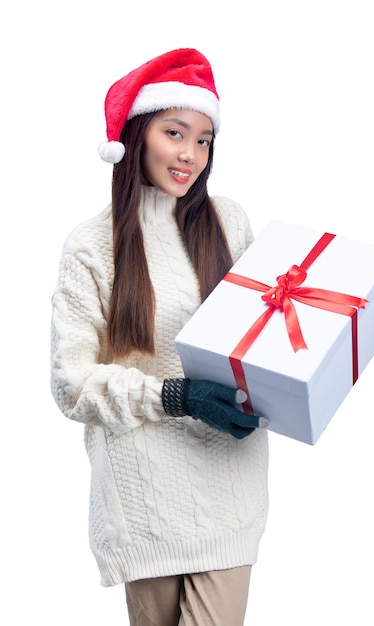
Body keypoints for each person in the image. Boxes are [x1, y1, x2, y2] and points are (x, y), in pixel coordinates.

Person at [50, 48, 270, 626]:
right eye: (175, 133)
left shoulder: (229, 221)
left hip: (230, 488)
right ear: (135, 136)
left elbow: (270, 329)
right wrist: (177, 395)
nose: (190, 155)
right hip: (146, 495)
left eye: (203, 140)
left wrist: (351, 336)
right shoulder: (92, 246)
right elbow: (71, 383)